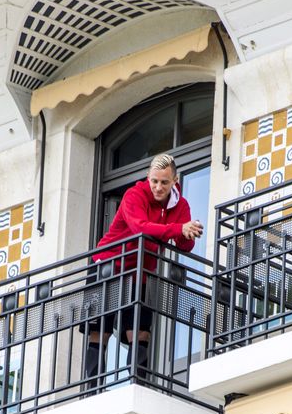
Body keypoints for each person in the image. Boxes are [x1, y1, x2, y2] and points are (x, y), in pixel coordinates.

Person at [82, 153, 203, 389]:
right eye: (154, 181)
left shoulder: (181, 205)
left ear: (174, 181)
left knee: (139, 332)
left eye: (164, 182)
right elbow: (140, 228)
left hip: (140, 274)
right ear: (148, 177)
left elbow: (185, 245)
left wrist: (189, 233)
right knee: (99, 332)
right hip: (107, 267)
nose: (158, 187)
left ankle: (137, 387)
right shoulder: (134, 195)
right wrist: (179, 228)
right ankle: (92, 390)